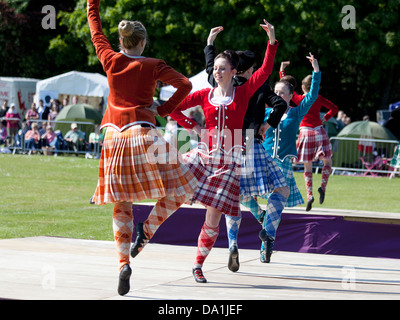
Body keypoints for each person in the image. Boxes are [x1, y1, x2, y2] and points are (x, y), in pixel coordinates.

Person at [152, 19, 279, 283]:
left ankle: (198, 265)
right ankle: (144, 230)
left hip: (230, 161)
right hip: (203, 154)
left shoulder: (243, 93)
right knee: (172, 183)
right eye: (216, 69)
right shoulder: (207, 91)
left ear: (235, 72)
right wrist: (194, 127)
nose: (217, 72)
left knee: (213, 217)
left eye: (223, 69)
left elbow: (266, 70)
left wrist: (272, 41)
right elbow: (174, 107)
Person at [87, 0, 197, 296]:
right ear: (144, 41)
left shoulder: (110, 59)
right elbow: (185, 84)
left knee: (121, 203)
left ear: (121, 41)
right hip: (144, 134)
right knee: (183, 189)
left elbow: (95, 28)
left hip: (112, 138)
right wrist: (163, 108)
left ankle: (123, 263)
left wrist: (92, 3)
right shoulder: (152, 65)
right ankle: (146, 231)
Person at [203, 26, 289, 270]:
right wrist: (268, 123)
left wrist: (210, 44)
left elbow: (211, 68)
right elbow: (278, 97)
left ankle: (232, 244)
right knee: (281, 188)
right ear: (249, 69)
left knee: (233, 197)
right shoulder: (255, 85)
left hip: (227, 145)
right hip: (251, 142)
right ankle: (268, 231)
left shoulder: (219, 82)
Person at [261, 53, 321, 261]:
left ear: (290, 96)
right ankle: (262, 221)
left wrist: (316, 71)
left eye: (282, 92)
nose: (277, 95)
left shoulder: (295, 113)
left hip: (283, 163)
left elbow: (312, 96)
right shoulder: (265, 113)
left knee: (274, 205)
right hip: (265, 162)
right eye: (275, 92)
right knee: (245, 195)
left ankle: (266, 243)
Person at [280, 61, 338, 211]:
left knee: (307, 166)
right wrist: (326, 118)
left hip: (305, 132)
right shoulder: (317, 98)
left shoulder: (299, 99)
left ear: (303, 88)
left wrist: (282, 72)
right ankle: (323, 187)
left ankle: (309, 195)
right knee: (327, 162)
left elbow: (285, 87)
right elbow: (334, 108)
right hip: (319, 130)